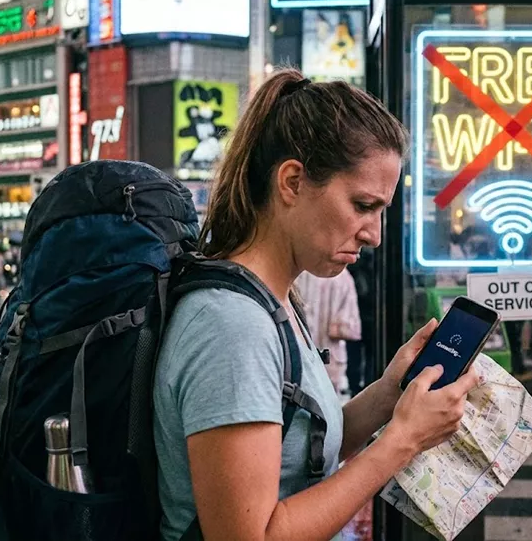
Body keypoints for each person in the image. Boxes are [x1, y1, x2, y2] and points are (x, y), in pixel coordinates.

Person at [153, 69, 478, 541]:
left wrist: (389, 393)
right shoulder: (232, 327)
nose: (374, 234)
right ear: (291, 182)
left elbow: (300, 450)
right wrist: (401, 442)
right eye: (362, 205)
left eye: (381, 211)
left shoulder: (274, 299)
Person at [294, 268, 362, 400]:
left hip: (301, 352)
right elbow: (352, 328)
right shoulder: (343, 277)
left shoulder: (299, 273)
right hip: (331, 357)